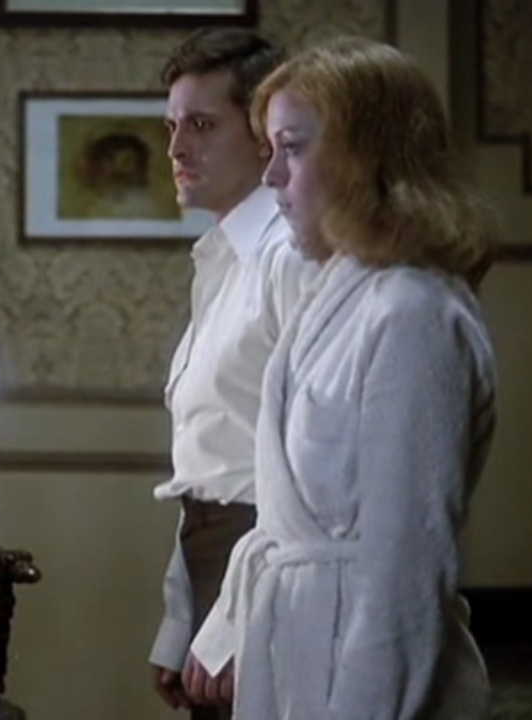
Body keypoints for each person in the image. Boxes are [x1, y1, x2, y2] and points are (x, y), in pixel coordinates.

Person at [187, 36, 499, 719]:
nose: (272, 177)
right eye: (269, 150)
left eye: (292, 149)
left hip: (368, 661)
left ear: (365, 158)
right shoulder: (339, 292)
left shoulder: (415, 312)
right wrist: (227, 628)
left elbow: (406, 567)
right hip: (302, 646)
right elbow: (283, 514)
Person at [147, 28, 316, 720]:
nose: (176, 149)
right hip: (214, 562)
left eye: (202, 125)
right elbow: (210, 460)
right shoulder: (221, 259)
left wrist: (229, 625)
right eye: (171, 126)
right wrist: (180, 619)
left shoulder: (288, 257)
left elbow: (306, 467)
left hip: (273, 574)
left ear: (263, 136)